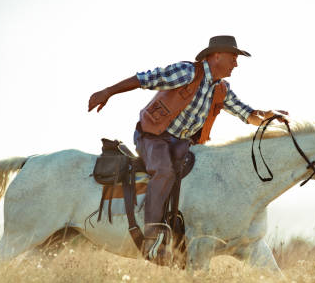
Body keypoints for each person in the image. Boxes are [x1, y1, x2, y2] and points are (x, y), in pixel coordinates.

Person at [88, 35, 288, 263]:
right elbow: (145, 79)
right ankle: (152, 236)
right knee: (163, 171)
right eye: (233, 57)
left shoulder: (221, 88)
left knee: (203, 175)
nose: (236, 63)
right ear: (216, 55)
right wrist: (108, 92)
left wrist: (268, 117)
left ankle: (180, 233)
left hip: (183, 143)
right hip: (153, 137)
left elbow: (247, 114)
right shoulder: (187, 72)